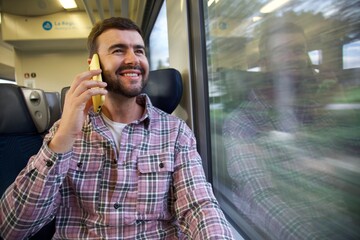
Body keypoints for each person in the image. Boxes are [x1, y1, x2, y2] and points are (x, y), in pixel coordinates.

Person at [0, 17, 234, 239]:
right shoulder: (64, 132)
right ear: (94, 64)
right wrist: (64, 137)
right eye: (119, 50)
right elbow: (12, 227)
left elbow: (198, 206)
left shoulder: (175, 132)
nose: (133, 59)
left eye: (139, 50)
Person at [222, 21, 359, 239]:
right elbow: (262, 197)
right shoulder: (243, 121)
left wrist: (336, 98)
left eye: (299, 50)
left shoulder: (313, 109)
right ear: (266, 63)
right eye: (282, 51)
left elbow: (346, 162)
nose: (293, 58)